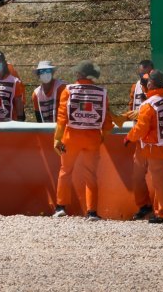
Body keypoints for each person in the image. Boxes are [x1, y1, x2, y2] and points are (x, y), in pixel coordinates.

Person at [53, 60, 113, 221]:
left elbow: (61, 118)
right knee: (91, 175)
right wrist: (101, 138)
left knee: (65, 171)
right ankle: (92, 211)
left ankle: (60, 207)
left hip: (70, 137)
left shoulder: (68, 90)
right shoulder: (102, 93)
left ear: (79, 74)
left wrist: (57, 139)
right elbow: (108, 123)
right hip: (92, 138)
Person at [125, 70, 163, 223]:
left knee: (160, 183)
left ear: (151, 83)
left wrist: (129, 137)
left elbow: (140, 129)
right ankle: (159, 211)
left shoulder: (148, 104)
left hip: (155, 149)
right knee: (162, 182)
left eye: (148, 81)